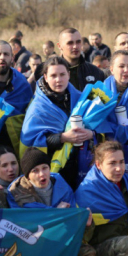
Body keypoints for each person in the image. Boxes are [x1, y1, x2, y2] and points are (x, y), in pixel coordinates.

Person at [8, 147, 95, 256]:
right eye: (35, 171)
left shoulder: (62, 186)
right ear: (27, 175)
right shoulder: (16, 194)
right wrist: (56, 211)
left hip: (62, 242)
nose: (42, 174)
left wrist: (86, 221)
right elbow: (30, 224)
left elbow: (72, 220)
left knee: (87, 253)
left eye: (45, 168)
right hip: (34, 249)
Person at [21, 56, 94, 189]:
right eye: (53, 75)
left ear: (69, 75)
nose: (58, 80)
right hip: (53, 170)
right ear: (45, 77)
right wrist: (63, 137)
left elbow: (100, 127)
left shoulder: (81, 98)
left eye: (62, 74)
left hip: (84, 164)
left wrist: (91, 134)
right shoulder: (38, 107)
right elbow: (31, 140)